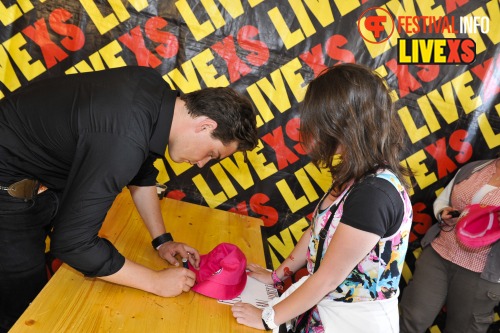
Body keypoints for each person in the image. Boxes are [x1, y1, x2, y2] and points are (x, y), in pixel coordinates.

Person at [0, 65, 258, 332]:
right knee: (22, 309)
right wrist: (155, 282)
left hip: (36, 183)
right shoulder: (124, 137)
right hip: (8, 191)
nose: (202, 164)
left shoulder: (152, 89)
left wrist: (162, 241)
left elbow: (141, 171)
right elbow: (73, 243)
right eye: (212, 154)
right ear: (205, 125)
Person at [232, 63, 413, 332]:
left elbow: (327, 278)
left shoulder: (374, 194)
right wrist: (277, 276)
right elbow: (317, 231)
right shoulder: (355, 174)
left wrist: (267, 317)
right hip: (324, 311)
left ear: (345, 124)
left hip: (352, 323)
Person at [399, 157, 500, 333]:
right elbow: (443, 200)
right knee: (411, 318)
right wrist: (442, 212)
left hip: (481, 272)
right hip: (440, 253)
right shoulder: (476, 168)